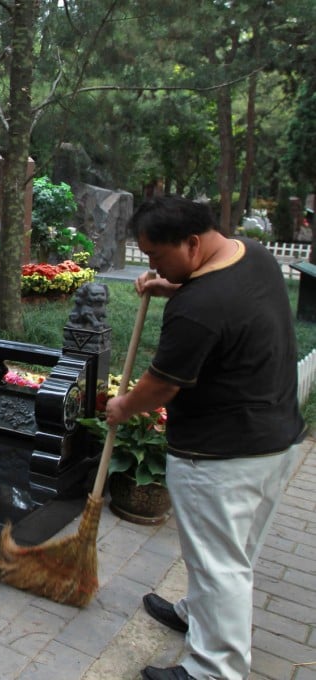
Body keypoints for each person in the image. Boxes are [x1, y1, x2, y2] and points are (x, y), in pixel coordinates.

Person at [105, 196, 306, 680]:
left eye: (156, 257)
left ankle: (214, 669)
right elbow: (227, 304)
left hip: (219, 457)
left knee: (220, 564)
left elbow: (162, 384)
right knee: (233, 554)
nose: (152, 266)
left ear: (192, 243)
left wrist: (123, 406)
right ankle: (198, 613)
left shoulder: (197, 307)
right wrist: (170, 285)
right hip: (275, 439)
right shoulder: (252, 255)